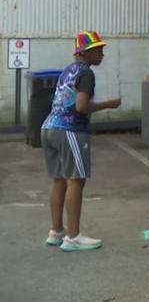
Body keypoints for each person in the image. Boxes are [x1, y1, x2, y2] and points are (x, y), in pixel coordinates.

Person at [41, 32, 121, 251]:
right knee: (76, 179)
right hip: (70, 130)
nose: (102, 54)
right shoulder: (86, 73)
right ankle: (73, 237)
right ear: (85, 53)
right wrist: (109, 105)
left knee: (59, 179)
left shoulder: (68, 70)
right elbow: (81, 107)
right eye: (98, 50)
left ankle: (56, 232)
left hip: (48, 127)